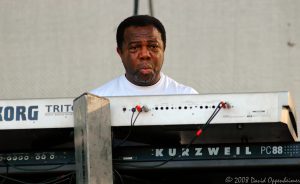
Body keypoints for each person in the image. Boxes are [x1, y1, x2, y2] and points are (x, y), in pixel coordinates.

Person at [90, 15, 198, 96]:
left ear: (164, 49)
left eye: (153, 46)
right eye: (134, 48)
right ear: (120, 52)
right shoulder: (98, 100)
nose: (145, 55)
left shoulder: (188, 97)